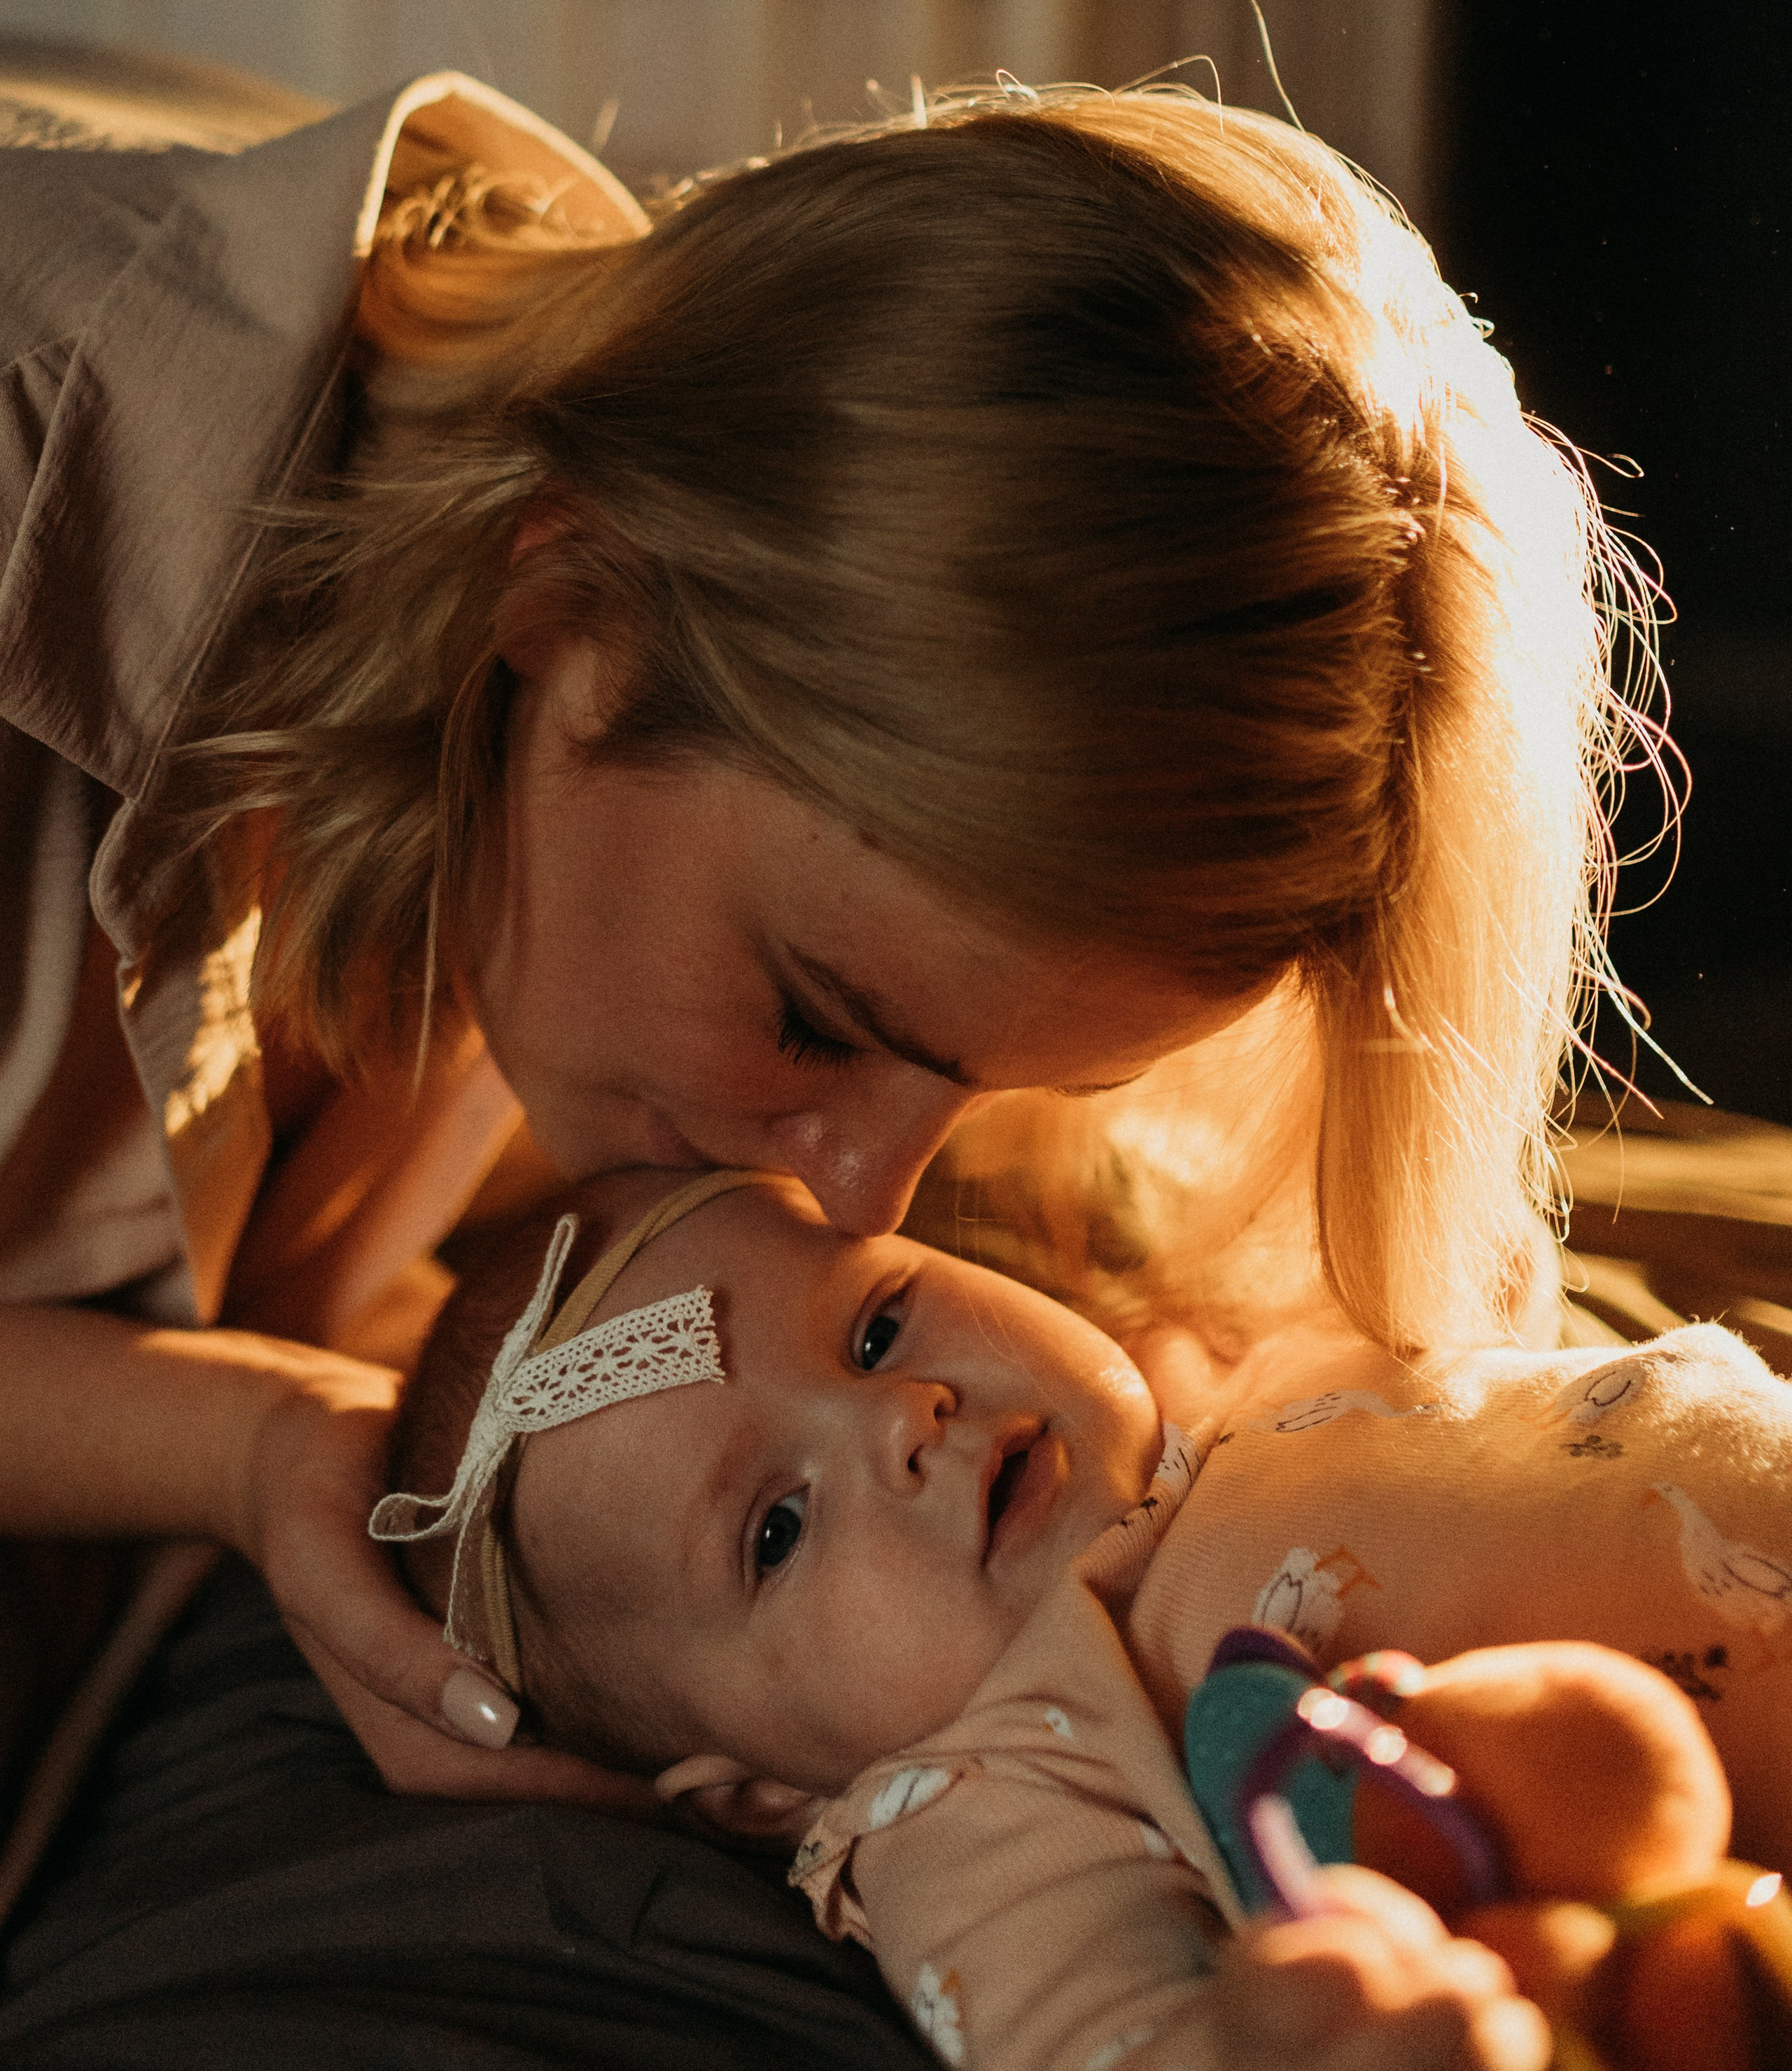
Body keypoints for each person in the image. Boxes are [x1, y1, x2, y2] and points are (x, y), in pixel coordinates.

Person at [1, 66, 1645, 1810]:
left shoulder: (694, 665)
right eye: (813, 1019)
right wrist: (241, 1436)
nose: (852, 1201)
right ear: (561, 596)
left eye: (985, 1088)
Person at [374, 1163, 1792, 2071]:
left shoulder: (1230, 1362)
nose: (899, 1415)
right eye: (775, 1530)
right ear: (761, 1790)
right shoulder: (981, 1781)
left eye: (874, 1325)